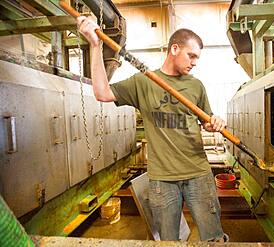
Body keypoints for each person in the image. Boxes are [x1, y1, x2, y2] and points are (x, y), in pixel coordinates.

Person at [77, 16, 228, 242]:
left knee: (214, 238)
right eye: (192, 55)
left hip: (198, 174)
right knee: (169, 240)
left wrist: (215, 122)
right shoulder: (143, 82)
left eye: (197, 57)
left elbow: (206, 120)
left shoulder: (195, 85)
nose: (195, 62)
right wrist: (95, 45)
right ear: (174, 48)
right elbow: (102, 93)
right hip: (162, 179)